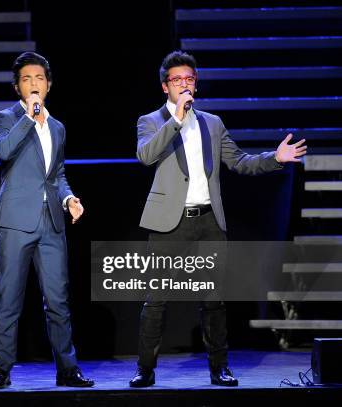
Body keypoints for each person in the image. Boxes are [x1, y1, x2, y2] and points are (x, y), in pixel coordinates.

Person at [129, 50, 307, 388]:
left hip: (209, 220)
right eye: (177, 80)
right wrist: (177, 120)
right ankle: (145, 369)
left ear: (196, 84)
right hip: (169, 221)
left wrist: (276, 158)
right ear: (165, 86)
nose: (184, 85)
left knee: (213, 299)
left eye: (189, 79)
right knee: (156, 299)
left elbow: (239, 161)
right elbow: (146, 155)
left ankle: (219, 368)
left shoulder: (213, 123)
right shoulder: (151, 121)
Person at [0, 52, 94, 389]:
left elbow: (57, 173)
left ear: (49, 84)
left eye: (39, 78)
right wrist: (30, 119)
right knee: (10, 297)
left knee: (58, 299)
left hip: (51, 223)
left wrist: (68, 198)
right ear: (18, 86)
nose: (34, 84)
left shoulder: (58, 127)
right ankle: (1, 369)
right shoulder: (4, 118)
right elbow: (3, 151)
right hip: (16, 220)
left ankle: (67, 368)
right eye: (27, 79)